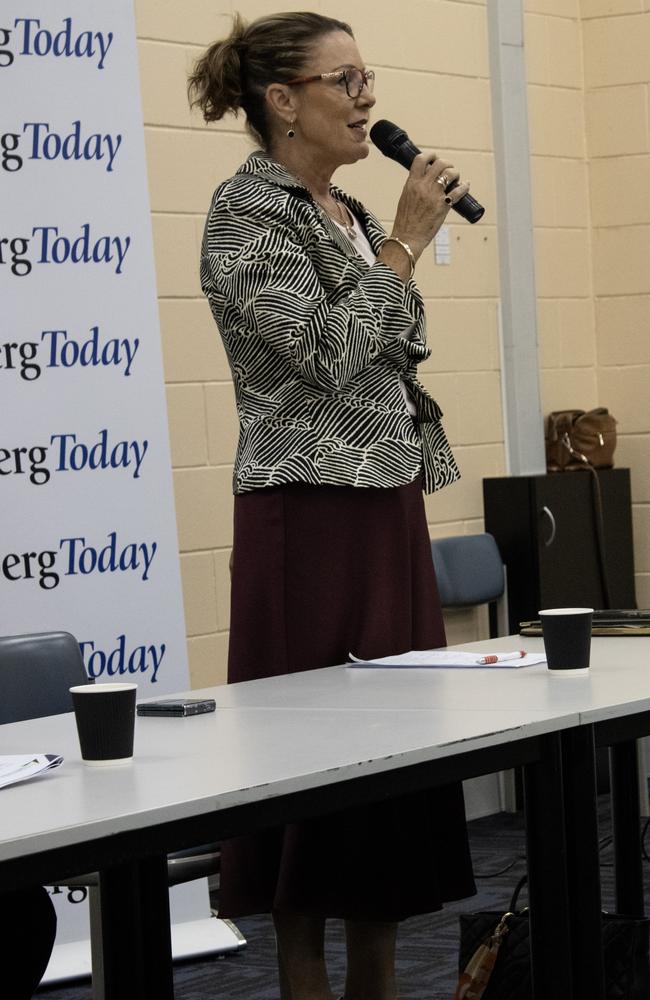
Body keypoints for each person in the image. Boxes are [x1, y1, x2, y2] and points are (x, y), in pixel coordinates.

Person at [189, 12, 476, 999]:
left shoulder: (343, 211)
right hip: (303, 512)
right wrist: (405, 241)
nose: (365, 98)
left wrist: (387, 241)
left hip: (383, 503)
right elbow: (323, 352)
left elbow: (387, 359)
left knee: (390, 773)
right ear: (282, 100)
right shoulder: (246, 213)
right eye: (342, 80)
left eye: (366, 77)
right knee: (311, 777)